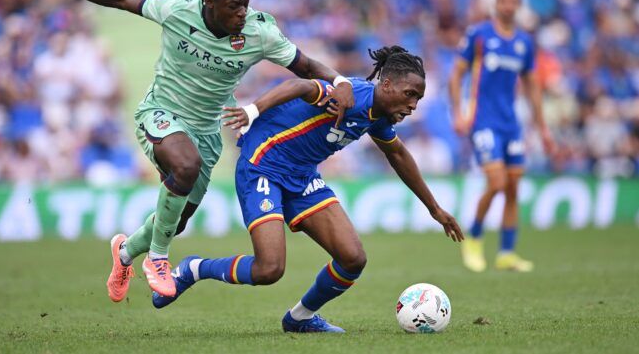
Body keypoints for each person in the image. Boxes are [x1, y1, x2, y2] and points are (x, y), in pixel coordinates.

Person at [22, 0, 355, 301]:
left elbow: (306, 66)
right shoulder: (177, 10)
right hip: (161, 111)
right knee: (185, 166)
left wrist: (341, 82)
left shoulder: (260, 33)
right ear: (208, 2)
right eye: (234, 6)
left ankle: (125, 252)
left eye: (246, 4)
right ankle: (158, 259)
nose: (242, 12)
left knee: (176, 220)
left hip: (207, 128)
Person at [153, 46, 464, 333]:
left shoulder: (378, 118)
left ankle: (300, 318)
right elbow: (301, 86)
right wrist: (253, 110)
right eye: (410, 94)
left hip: (302, 177)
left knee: (353, 258)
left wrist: (434, 208)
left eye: (418, 99)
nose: (413, 105)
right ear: (387, 85)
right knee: (269, 269)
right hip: (263, 166)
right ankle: (194, 268)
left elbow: (398, 155)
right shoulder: (353, 95)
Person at [449, 0, 554, 273]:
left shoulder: (524, 43)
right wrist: (458, 113)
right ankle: (474, 238)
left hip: (511, 124)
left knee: (513, 188)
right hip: (483, 121)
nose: (508, 6)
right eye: (503, 1)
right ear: (496, 3)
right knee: (496, 183)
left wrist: (543, 128)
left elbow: (532, 86)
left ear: (518, 5)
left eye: (512, 2)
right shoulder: (479, 34)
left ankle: (506, 253)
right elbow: (456, 75)